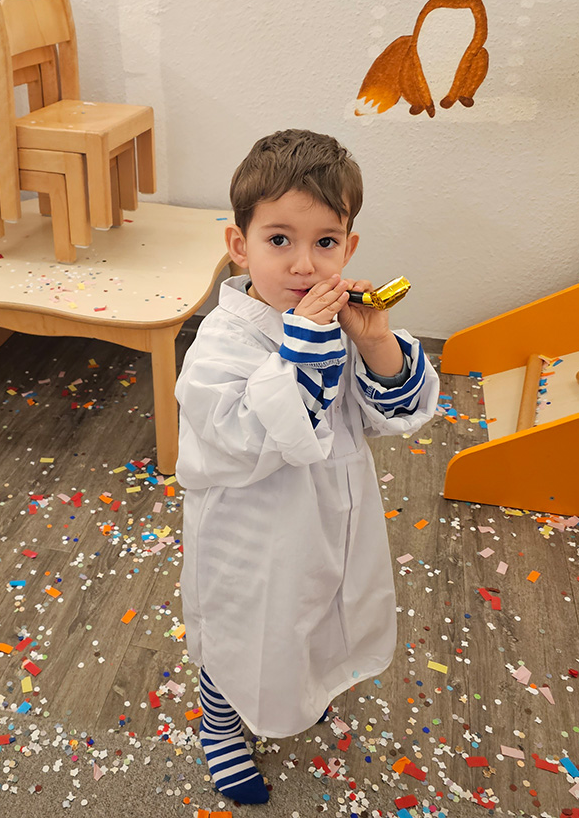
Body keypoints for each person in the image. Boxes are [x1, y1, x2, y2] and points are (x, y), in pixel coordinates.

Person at [174, 129, 439, 804]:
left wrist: (374, 342)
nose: (303, 264)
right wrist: (304, 348)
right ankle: (220, 721)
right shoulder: (222, 341)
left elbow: (392, 411)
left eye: (325, 242)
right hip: (250, 529)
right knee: (244, 627)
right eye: (279, 239)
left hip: (329, 513)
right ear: (240, 246)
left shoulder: (340, 321)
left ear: (349, 248)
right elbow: (238, 435)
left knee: (314, 611)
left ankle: (302, 684)